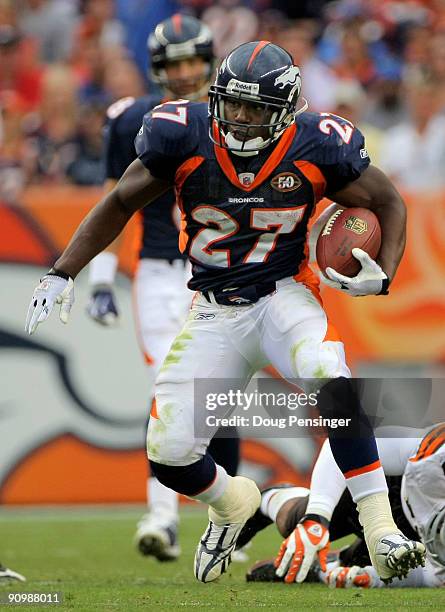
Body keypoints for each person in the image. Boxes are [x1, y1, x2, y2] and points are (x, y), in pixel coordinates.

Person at [25, 40, 425, 584]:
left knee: (331, 380)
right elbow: (121, 200)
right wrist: (64, 269)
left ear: (284, 110)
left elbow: (388, 200)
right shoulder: (182, 134)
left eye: (255, 108)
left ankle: (380, 528)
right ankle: (236, 501)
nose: (239, 117)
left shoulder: (316, 144)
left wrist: (385, 273)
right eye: (232, 103)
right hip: (213, 310)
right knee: (167, 454)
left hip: (285, 295)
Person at [86, 14, 240, 562]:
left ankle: (228, 521)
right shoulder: (132, 119)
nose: (184, 73)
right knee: (169, 390)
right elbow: (114, 201)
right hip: (160, 272)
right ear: (158, 68)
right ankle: (164, 516)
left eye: (193, 61)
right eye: (174, 64)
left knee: (219, 402)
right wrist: (102, 277)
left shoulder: (238, 115)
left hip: (221, 274)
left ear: (209, 61)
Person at [241, 423, 445, 588]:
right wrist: (317, 515)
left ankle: (327, 565)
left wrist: (365, 577)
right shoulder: (434, 453)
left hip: (416, 536)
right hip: (386, 491)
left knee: (362, 563)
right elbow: (346, 440)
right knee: (294, 524)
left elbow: (436, 575)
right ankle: (271, 499)